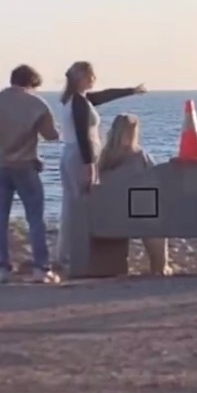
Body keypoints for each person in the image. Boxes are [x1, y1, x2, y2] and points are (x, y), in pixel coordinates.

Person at [0, 64, 61, 285]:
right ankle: (41, 269)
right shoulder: (37, 104)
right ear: (32, 83)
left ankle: (2, 269)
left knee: (0, 219)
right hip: (26, 165)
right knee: (35, 218)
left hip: (0, 166)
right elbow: (51, 135)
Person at [55, 61, 147, 269]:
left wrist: (131, 91)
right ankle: (72, 254)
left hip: (73, 154)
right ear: (82, 77)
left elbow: (104, 96)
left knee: (72, 203)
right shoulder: (78, 102)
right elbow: (82, 134)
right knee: (80, 204)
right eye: (91, 75)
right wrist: (89, 163)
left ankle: (65, 253)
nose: (94, 79)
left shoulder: (79, 99)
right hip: (79, 156)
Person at [97, 114, 171, 275]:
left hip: (109, 216)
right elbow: (158, 179)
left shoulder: (104, 158)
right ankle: (160, 266)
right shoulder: (140, 156)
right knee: (154, 217)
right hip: (138, 215)